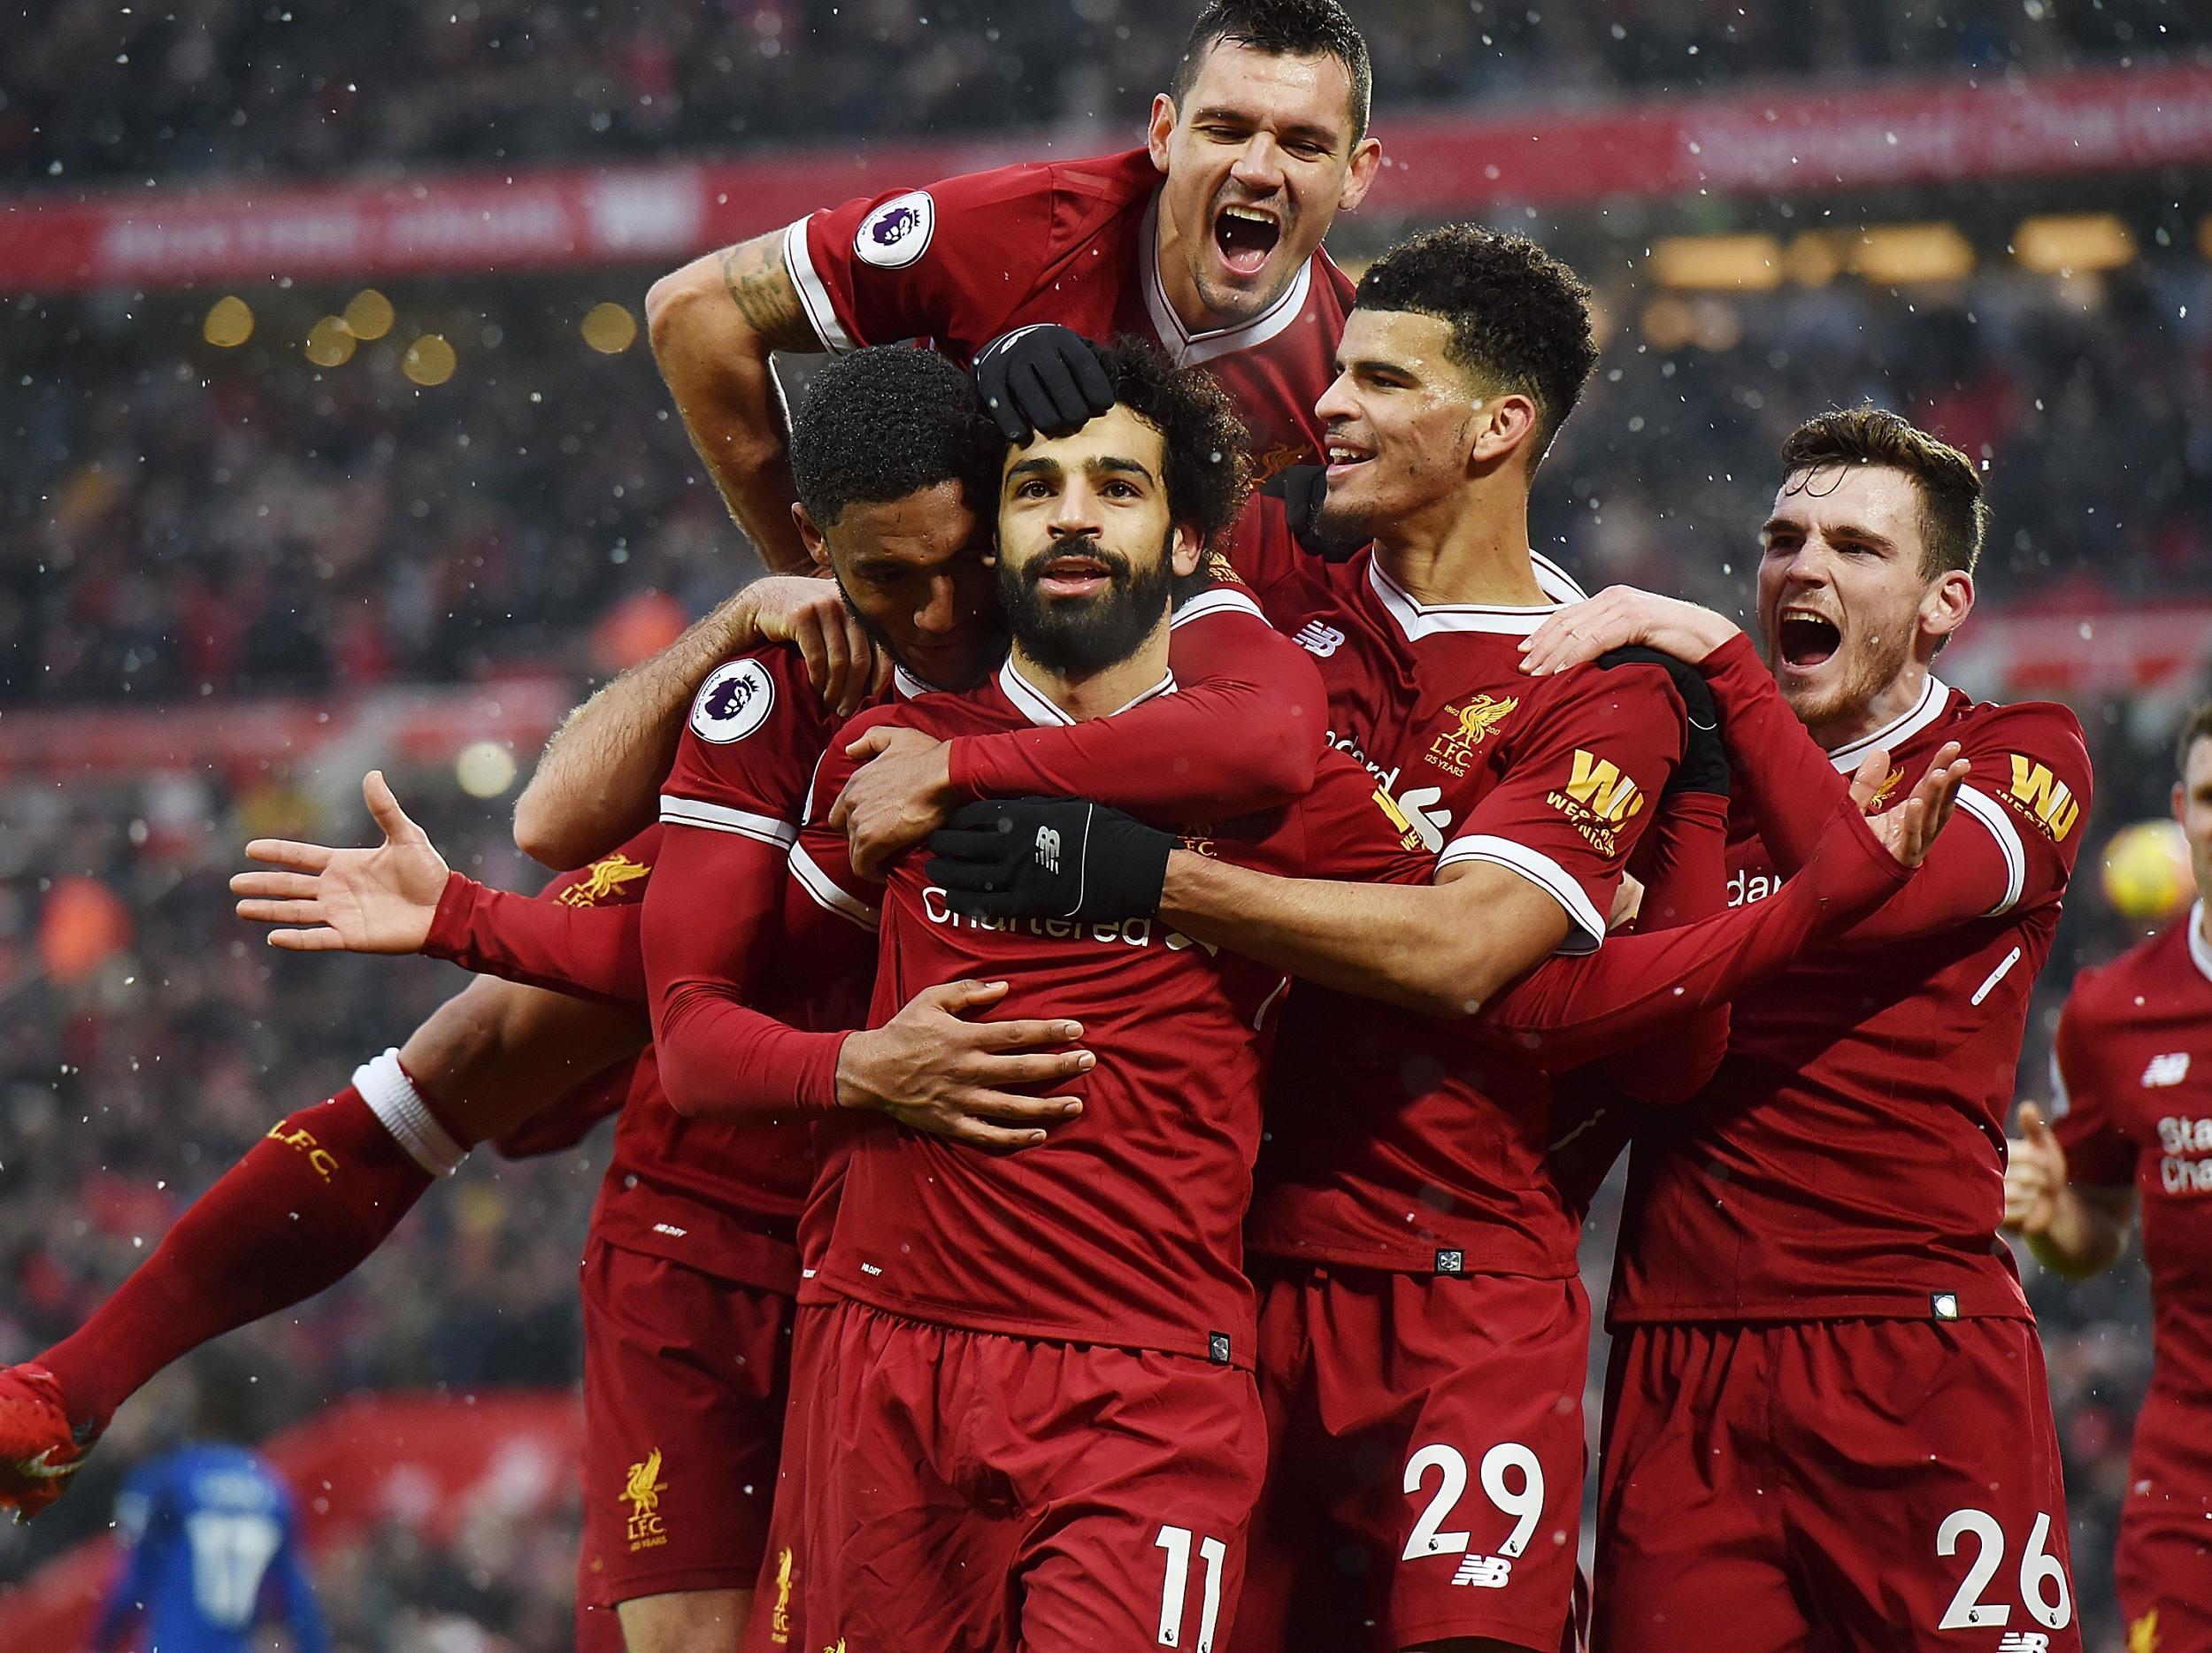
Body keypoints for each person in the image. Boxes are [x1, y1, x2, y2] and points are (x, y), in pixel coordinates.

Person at [915, 245, 1965, 1653]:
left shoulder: (1602, 686)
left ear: (1497, 428)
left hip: (1464, 1304)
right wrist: (993, 399)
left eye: (1380, 379)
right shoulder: (1265, 573)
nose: (1331, 405)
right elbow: (1011, 563)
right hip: (1209, 1290)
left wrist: (1153, 879)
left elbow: (1468, 955)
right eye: (1341, 369)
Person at [226, 340, 1348, 1653]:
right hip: (881, 1337)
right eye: (1038, 489)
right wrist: (465, 920)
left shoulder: (1233, 720)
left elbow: (1448, 940)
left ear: (1188, 537)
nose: (1070, 519)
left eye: (1115, 488)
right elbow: (696, 985)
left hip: (1141, 1374)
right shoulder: (869, 744)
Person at [1511, 406, 2096, 1651]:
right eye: (1784, 538)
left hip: (1919, 1357)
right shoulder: (1683, 794)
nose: (1804, 568)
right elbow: (1620, 1053)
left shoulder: (2015, 755)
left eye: (1855, 546)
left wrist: (1722, 662)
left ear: (1945, 602)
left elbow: (1877, 895)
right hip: (1683, 1367)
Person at [632, 0, 1378, 585]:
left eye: (1303, 144)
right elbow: (697, 313)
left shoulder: (1359, 382)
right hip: (951, 688)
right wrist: (813, 581)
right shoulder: (1017, 232)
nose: (1257, 167)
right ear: (1162, 134)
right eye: (1224, 128)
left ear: (1356, 173)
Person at [2005, 703, 2212, 1653]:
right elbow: (2096, 1229)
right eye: (2211, 796)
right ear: (2180, 811)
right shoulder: (2110, 1010)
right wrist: (2050, 1220)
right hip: (2190, 1481)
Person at [89, 1414, 328, 1653]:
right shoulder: (274, 1490)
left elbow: (134, 1581)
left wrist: (100, 1643)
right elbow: (297, 1601)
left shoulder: (169, 1480)